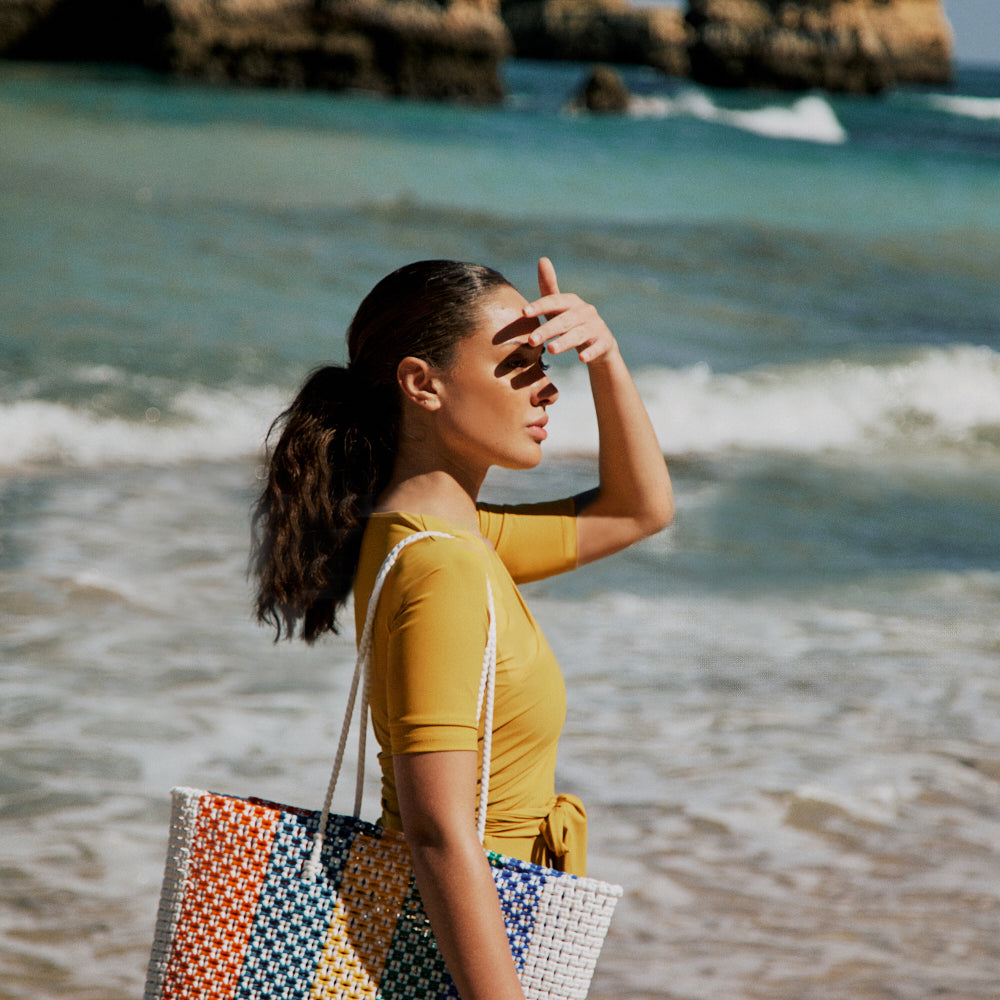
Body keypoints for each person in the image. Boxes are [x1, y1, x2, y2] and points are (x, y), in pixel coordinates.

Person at [251, 256, 673, 1000]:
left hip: (480, 932)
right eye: (516, 364)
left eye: (546, 363)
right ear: (423, 383)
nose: (546, 387)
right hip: (463, 951)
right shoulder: (442, 566)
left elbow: (635, 510)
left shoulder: (453, 535)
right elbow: (440, 832)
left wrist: (605, 356)